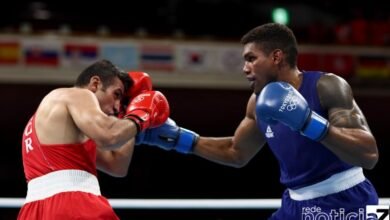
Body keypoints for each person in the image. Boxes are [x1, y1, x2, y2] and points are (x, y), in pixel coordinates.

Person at [136, 23, 379, 219]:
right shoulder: (257, 102)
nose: (245, 68)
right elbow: (236, 152)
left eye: (251, 58)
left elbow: (368, 155)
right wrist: (177, 138)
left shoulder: (326, 86)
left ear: (276, 56)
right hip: (295, 205)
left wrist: (308, 123)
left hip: (349, 201)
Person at [18, 59, 169, 220]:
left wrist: (127, 113)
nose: (117, 106)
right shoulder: (77, 94)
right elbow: (109, 135)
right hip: (73, 205)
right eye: (116, 94)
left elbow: (116, 164)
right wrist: (141, 115)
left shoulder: (59, 123)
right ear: (95, 84)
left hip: (34, 211)